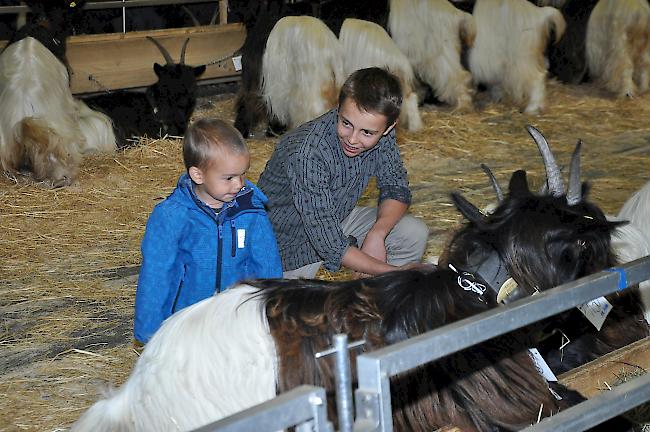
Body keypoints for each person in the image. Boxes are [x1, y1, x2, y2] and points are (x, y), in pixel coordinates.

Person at [258, 67, 429, 279]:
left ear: (387, 128)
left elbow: (396, 187)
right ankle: (375, 290)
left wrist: (377, 234)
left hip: (337, 214)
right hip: (288, 243)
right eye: (346, 123)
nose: (353, 139)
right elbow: (331, 245)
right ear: (338, 108)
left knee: (413, 233)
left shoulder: (382, 133)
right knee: (306, 307)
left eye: (367, 132)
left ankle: (375, 301)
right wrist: (395, 273)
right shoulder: (307, 152)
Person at [134, 118, 283, 344]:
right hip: (187, 324)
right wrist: (150, 332)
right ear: (198, 175)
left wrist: (272, 315)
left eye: (243, 174)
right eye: (229, 178)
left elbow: (267, 264)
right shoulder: (172, 217)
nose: (239, 184)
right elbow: (156, 275)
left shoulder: (250, 211)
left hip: (236, 320)